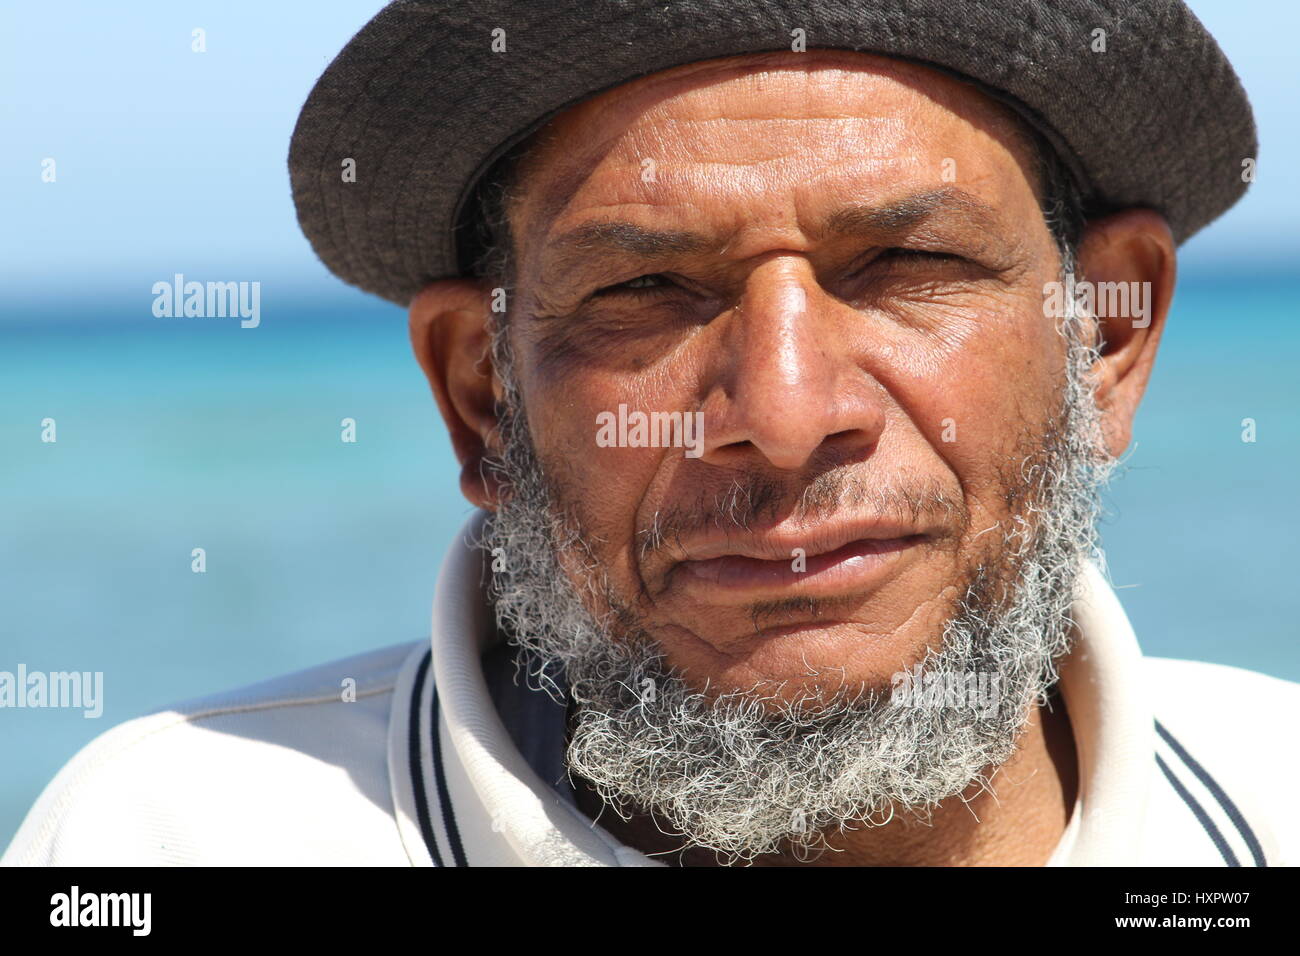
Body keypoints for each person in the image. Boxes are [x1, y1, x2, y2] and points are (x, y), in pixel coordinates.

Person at [5, 0, 1294, 867]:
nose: (785, 421)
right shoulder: (156, 840)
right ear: (482, 398)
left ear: (1107, 341)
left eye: (903, 263)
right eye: (643, 292)